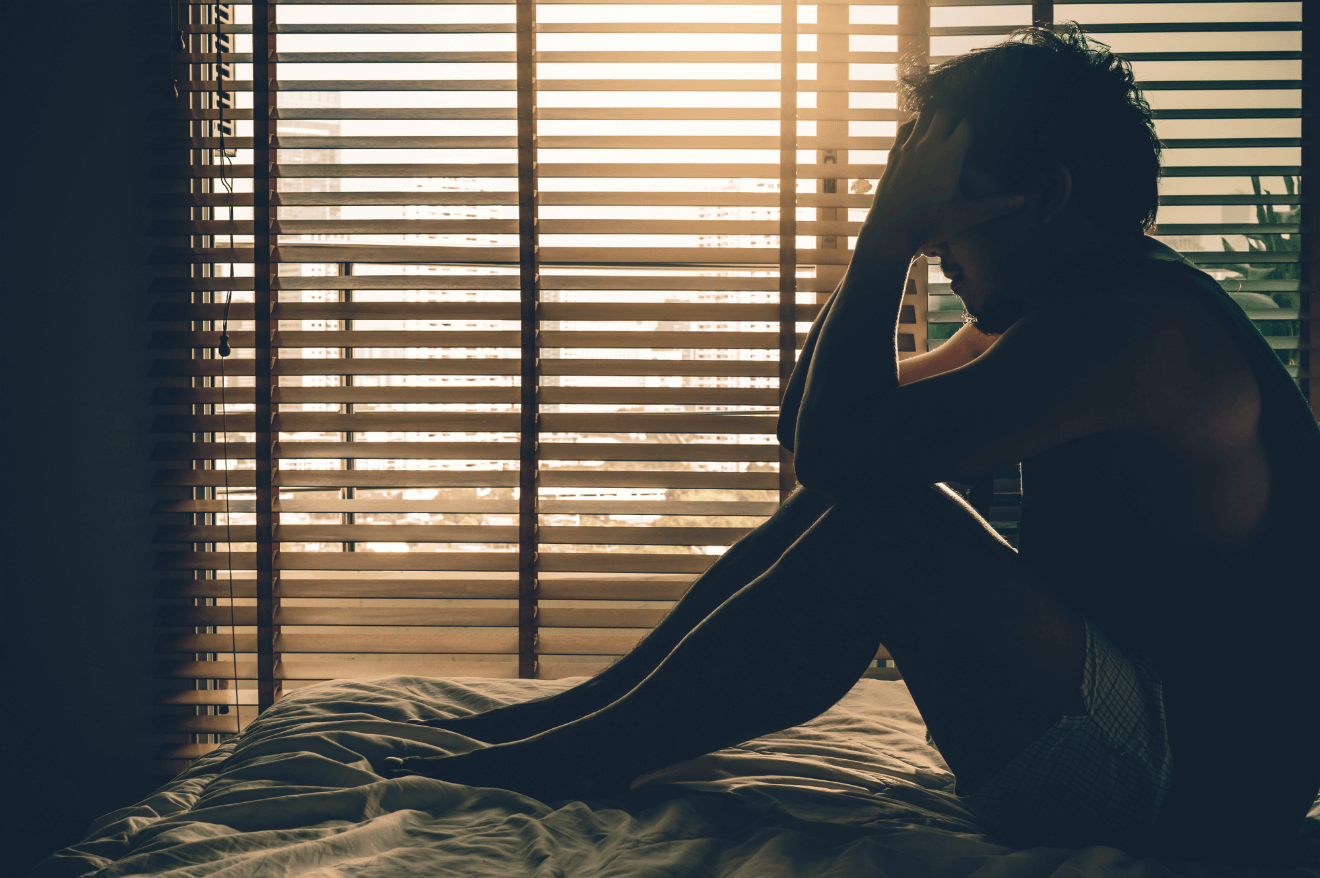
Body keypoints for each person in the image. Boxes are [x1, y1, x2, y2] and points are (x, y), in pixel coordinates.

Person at [383, 24, 1320, 861]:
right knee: (869, 493)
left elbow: (841, 449)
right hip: (1136, 740)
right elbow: (820, 431)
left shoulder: (1141, 335)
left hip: (1186, 787)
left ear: (1045, 198)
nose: (937, 247)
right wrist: (893, 233)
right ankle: (571, 722)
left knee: (894, 522)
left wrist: (883, 237)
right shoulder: (1060, 314)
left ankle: (578, 754)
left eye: (946, 205)